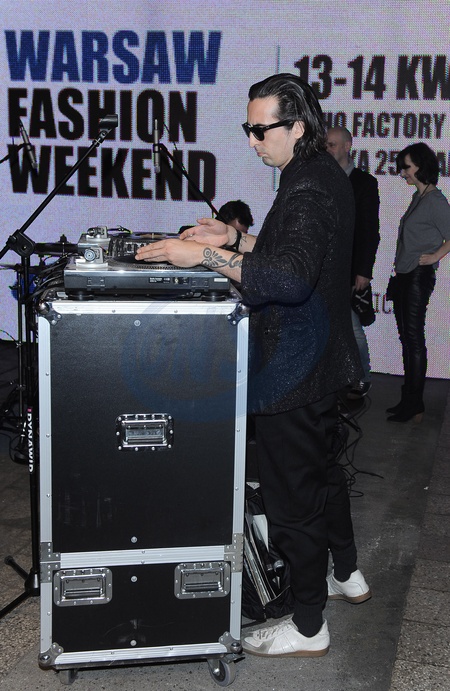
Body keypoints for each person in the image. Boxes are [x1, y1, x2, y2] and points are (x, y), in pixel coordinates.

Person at [135, 73, 371, 658]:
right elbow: (298, 252)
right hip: (318, 361)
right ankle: (347, 573)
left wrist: (202, 254)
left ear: (298, 126)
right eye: (248, 128)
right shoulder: (316, 172)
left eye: (261, 130)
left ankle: (309, 625)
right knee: (322, 475)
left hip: (295, 369)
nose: (252, 141)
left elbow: (288, 280)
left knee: (293, 500)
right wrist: (235, 238)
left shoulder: (308, 184)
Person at [386, 143, 450, 423]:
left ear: (422, 167)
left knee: (413, 339)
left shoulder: (435, 200)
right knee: (408, 339)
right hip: (405, 275)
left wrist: (435, 255)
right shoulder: (419, 197)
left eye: (407, 167)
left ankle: (414, 403)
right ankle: (409, 400)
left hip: (417, 276)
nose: (403, 173)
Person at [326, 127, 380, 400]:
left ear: (348, 146)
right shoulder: (321, 179)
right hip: (323, 266)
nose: (327, 149)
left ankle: (362, 377)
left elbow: (370, 231)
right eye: (325, 145)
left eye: (332, 144)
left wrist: (363, 270)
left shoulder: (365, 183)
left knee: (352, 326)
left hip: (349, 268)